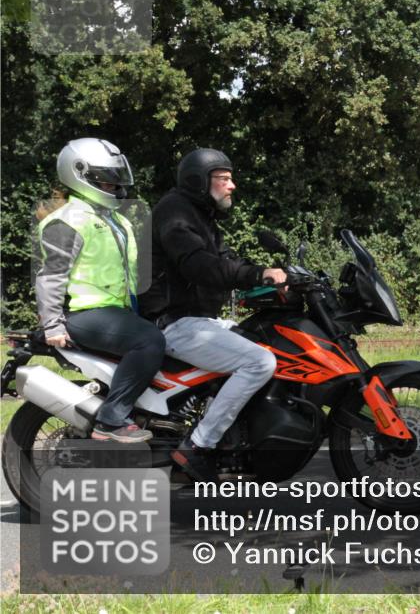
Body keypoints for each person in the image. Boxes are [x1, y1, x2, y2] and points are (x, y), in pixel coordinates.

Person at [140, 148, 286, 482]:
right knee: (259, 362)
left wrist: (268, 283)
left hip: (198, 321)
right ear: (199, 181)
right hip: (176, 323)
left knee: (264, 341)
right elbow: (200, 265)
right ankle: (198, 445)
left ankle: (236, 436)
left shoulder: (201, 215)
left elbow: (226, 261)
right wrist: (258, 273)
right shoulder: (174, 213)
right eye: (223, 178)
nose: (232, 185)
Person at [36, 138, 162, 443]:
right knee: (149, 341)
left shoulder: (116, 220)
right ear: (80, 175)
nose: (116, 186)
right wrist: (51, 323)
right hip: (83, 312)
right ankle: (110, 419)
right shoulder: (68, 221)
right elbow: (51, 275)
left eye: (117, 178)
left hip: (115, 313)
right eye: (107, 179)